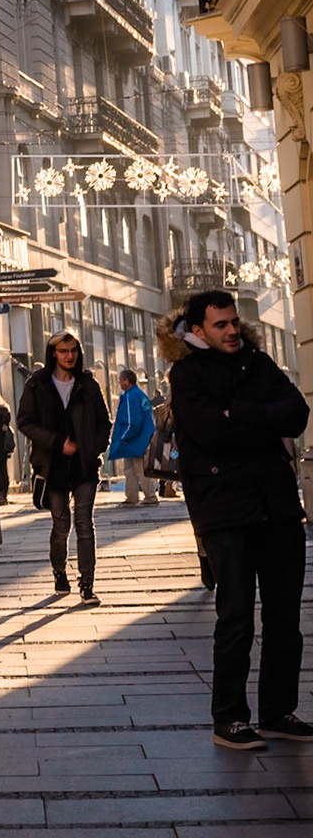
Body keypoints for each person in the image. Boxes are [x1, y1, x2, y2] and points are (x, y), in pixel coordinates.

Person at [163, 290, 311, 751]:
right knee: (236, 617)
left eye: (233, 322)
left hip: (277, 506)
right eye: (221, 325)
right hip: (224, 510)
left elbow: (297, 413)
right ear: (198, 330)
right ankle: (229, 718)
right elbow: (215, 433)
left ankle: (277, 712)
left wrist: (242, 412)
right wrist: (263, 422)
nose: (232, 331)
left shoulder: (258, 361)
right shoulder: (186, 373)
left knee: (285, 618)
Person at [17, 329, 111, 605]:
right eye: (63, 351)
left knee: (85, 524)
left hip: (84, 466)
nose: (69, 356)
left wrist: (92, 448)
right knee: (61, 526)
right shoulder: (38, 384)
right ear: (53, 353)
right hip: (52, 466)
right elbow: (25, 422)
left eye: (73, 351)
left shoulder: (88, 384)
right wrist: (57, 442)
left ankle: (87, 584)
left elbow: (104, 423)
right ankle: (59, 571)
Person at [109, 368, 159, 507]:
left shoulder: (130, 396)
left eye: (121, 380)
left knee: (138, 469)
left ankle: (149, 496)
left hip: (134, 441)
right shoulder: (140, 395)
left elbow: (133, 422)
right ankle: (132, 496)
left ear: (127, 380)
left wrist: (124, 437)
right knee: (131, 470)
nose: (119, 382)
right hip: (140, 439)